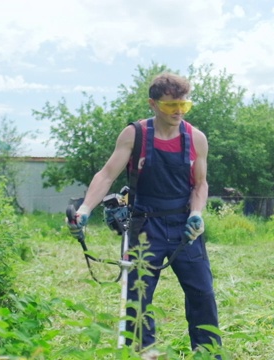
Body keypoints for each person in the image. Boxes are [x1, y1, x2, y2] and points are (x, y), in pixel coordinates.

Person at [66, 72, 222, 355]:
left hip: (184, 226)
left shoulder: (196, 138)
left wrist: (196, 214)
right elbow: (106, 175)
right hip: (144, 225)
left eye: (183, 106)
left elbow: (200, 184)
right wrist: (85, 208)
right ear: (153, 104)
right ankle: (144, 353)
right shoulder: (135, 135)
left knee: (203, 294)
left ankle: (209, 354)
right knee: (137, 298)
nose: (177, 112)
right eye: (170, 105)